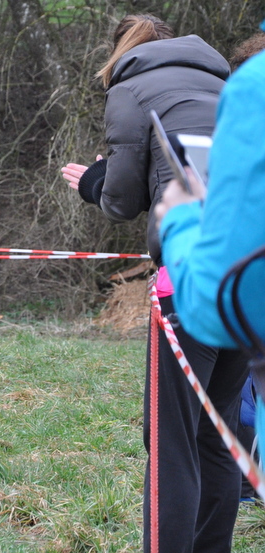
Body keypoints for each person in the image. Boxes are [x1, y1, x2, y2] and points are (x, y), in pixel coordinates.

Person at [60, 15, 249, 553]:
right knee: (218, 432)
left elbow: (121, 200)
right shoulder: (228, 86)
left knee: (172, 441)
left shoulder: (130, 88)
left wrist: (95, 181)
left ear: (121, 52)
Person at [155, 28, 265, 504]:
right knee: (217, 431)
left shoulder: (254, 86)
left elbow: (219, 301)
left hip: (192, 297)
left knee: (178, 440)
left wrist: (180, 220)